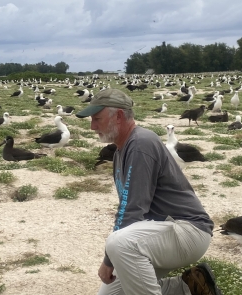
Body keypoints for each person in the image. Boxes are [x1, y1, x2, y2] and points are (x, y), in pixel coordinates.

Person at [76, 88, 222, 295]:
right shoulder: (121, 151)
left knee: (119, 244)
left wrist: (109, 260)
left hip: (187, 230)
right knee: (110, 293)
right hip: (161, 232)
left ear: (118, 116)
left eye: (97, 118)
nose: (92, 126)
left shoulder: (140, 144)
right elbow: (129, 208)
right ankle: (188, 288)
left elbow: (133, 209)